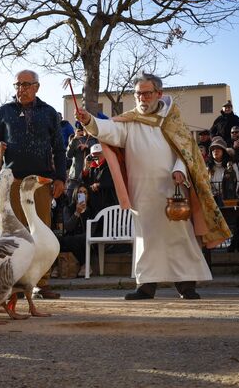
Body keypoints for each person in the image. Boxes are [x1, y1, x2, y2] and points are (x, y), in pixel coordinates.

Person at [75, 73, 230, 300]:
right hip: (142, 191)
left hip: (172, 189)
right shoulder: (130, 122)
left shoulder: (173, 121)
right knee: (146, 239)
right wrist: (89, 120)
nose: (142, 98)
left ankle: (186, 285)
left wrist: (180, 169)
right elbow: (110, 131)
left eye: (147, 93)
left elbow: (187, 152)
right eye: (138, 94)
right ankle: (146, 286)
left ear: (159, 93)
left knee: (180, 237)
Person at [0, 69, 66, 299]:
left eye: (25, 85)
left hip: (41, 182)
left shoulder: (50, 113)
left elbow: (59, 148)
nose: (20, 89)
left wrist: (60, 178)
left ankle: (41, 283)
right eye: (17, 85)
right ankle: (14, 283)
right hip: (12, 180)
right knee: (14, 233)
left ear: (36, 87)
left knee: (41, 230)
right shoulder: (5, 111)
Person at [81, 143, 118, 216]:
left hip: (109, 204)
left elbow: (116, 183)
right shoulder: (91, 167)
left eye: (99, 153)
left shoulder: (111, 165)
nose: (96, 156)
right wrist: (86, 168)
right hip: (94, 204)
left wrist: (100, 185)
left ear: (104, 154)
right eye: (94, 154)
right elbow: (84, 183)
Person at [207, 137, 239, 204]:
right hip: (213, 200)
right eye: (213, 149)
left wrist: (228, 194)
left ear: (223, 151)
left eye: (218, 148)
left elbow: (237, 182)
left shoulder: (232, 165)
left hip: (229, 198)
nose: (215, 150)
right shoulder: (208, 167)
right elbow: (207, 184)